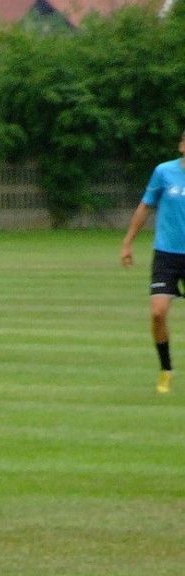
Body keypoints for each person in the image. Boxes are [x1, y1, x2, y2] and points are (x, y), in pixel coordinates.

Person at [120, 129, 185, 394]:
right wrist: (128, 242)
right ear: (181, 145)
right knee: (158, 312)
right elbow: (146, 206)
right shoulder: (164, 172)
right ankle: (166, 370)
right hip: (167, 254)